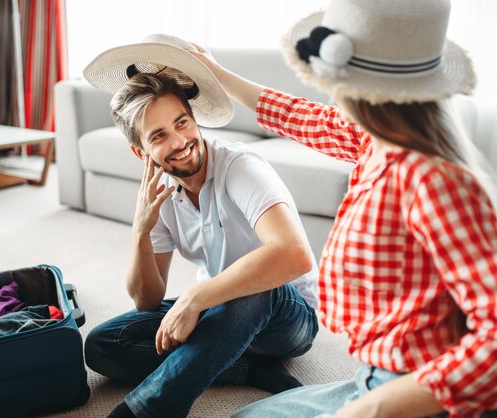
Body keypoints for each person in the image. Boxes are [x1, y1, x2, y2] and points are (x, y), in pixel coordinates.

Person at [187, 0, 497, 417]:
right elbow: (299, 116)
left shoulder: (430, 180)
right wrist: (218, 75)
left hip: (412, 392)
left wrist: (374, 409)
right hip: (373, 375)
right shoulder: (374, 138)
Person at [82, 34, 319, 418]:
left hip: (286, 316)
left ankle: (148, 409)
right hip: (220, 313)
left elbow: (294, 256)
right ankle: (246, 368)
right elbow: (146, 300)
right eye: (159, 135)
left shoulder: (240, 167)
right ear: (140, 152)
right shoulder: (157, 192)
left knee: (254, 283)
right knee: (103, 344)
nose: (181, 141)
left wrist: (195, 299)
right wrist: (141, 231)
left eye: (182, 123)